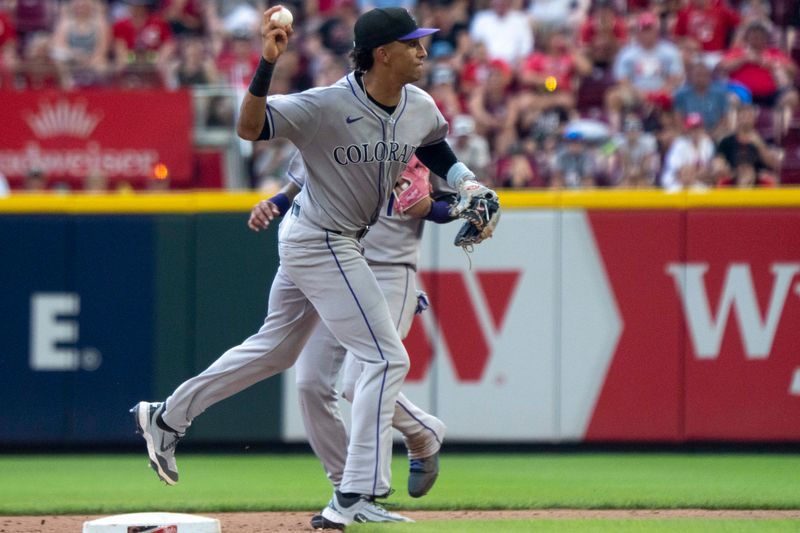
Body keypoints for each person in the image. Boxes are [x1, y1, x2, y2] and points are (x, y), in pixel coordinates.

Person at [130, 5, 496, 529]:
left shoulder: (417, 103)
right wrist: (266, 63)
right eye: (413, 44)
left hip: (329, 237)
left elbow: (436, 147)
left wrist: (467, 184)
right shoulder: (325, 104)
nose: (424, 51)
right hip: (321, 239)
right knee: (384, 359)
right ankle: (354, 494)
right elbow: (249, 127)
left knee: (276, 349)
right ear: (383, 54)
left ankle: (167, 416)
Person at [252, 154, 453, 528]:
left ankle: (361, 489)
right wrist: (274, 203)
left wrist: (452, 209)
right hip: (333, 266)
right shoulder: (334, 118)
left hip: (391, 270)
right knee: (310, 384)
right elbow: (298, 179)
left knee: (358, 383)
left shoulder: (418, 132)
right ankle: (348, 486)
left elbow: (447, 200)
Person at [605, 12, 684, 132]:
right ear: (638, 32)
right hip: (636, 92)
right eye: (644, 30)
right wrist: (640, 94)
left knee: (682, 96)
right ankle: (615, 132)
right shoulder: (628, 53)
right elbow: (622, 79)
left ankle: (678, 131)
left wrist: (660, 94)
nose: (647, 34)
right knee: (613, 96)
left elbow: (676, 77)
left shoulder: (669, 51)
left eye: (649, 30)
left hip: (664, 91)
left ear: (656, 31)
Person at [714, 104, 781, 187]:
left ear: (754, 119)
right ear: (738, 118)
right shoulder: (726, 141)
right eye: (743, 115)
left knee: (773, 182)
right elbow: (718, 163)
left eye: (749, 116)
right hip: (734, 179)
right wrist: (723, 168)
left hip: (757, 180)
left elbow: (773, 164)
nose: (746, 119)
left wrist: (760, 145)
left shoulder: (763, 140)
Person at [660, 112, 715, 191]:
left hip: (697, 183)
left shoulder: (707, 144)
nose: (695, 132)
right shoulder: (679, 145)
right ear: (687, 130)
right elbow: (681, 172)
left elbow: (708, 171)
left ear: (702, 128)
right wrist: (697, 173)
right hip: (674, 183)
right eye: (692, 129)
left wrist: (698, 173)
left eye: (697, 128)